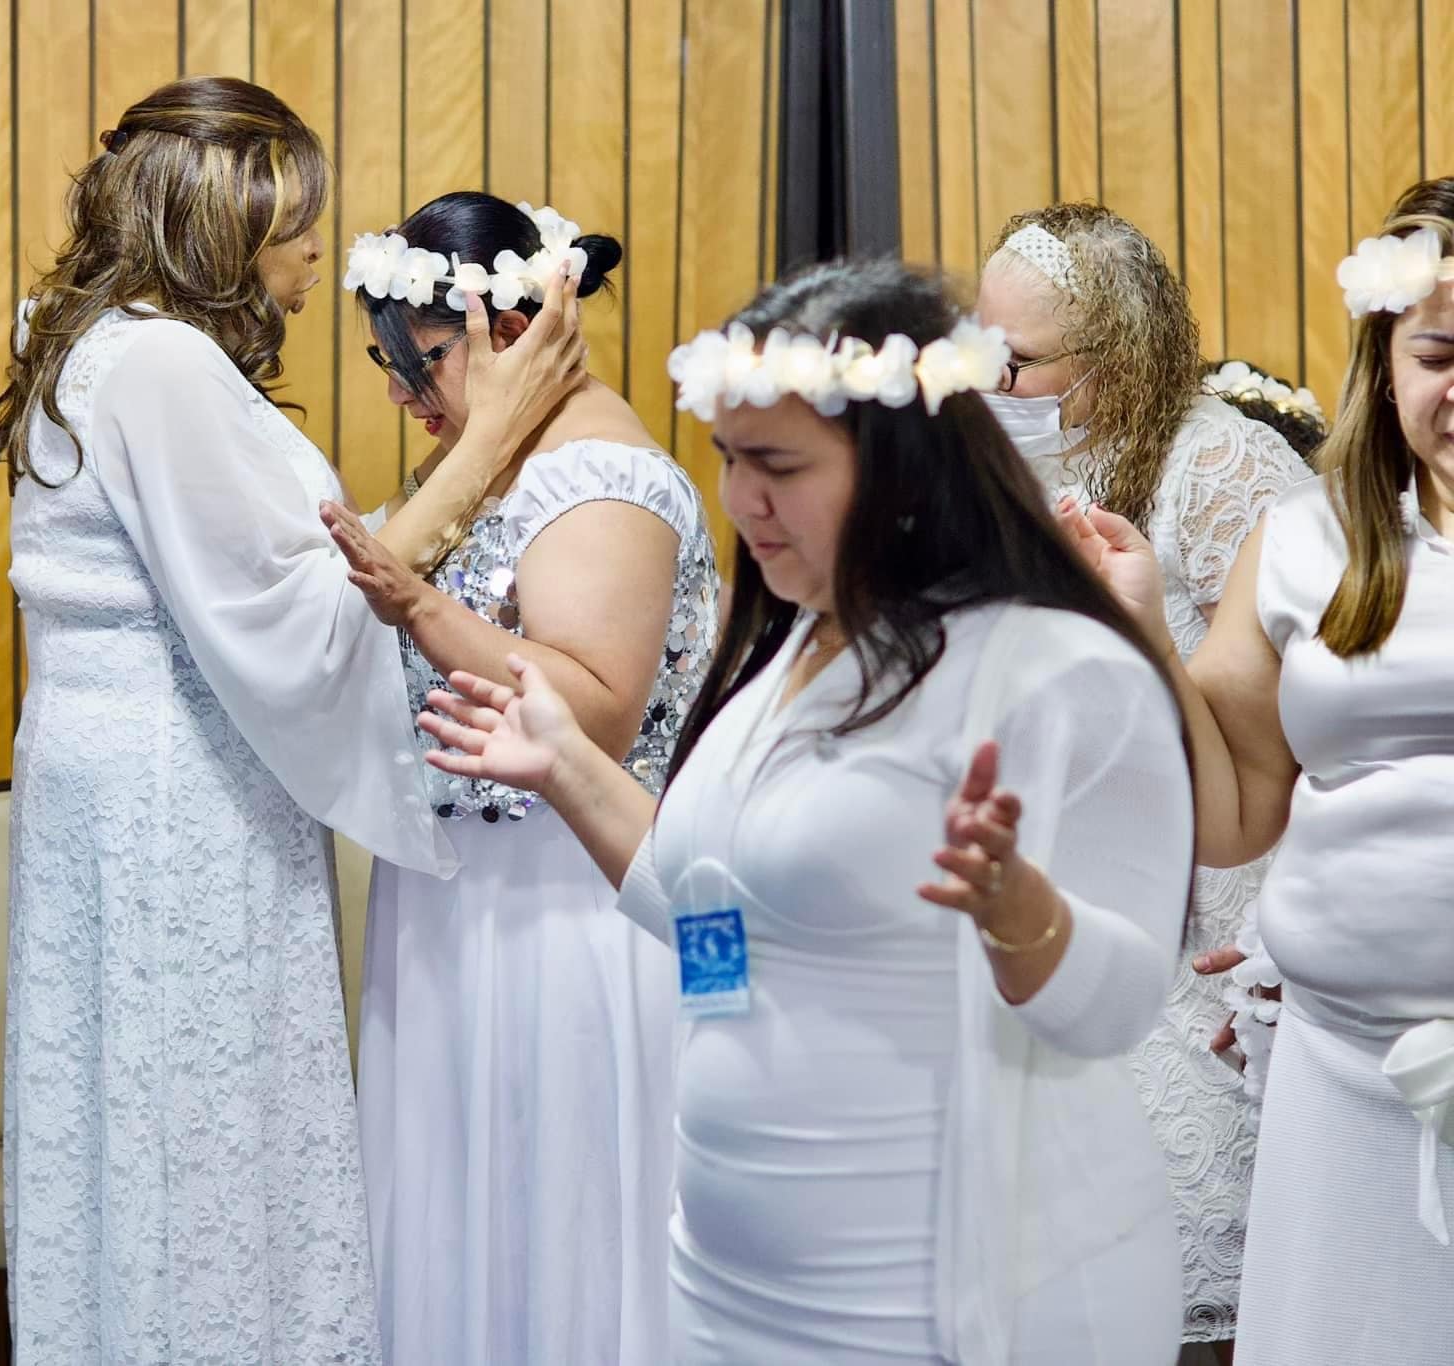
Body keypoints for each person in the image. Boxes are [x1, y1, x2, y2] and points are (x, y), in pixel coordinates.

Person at [416, 259, 1196, 1364]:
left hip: (949, 1292)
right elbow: (714, 918)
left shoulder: (1052, 668)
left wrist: (1015, 905)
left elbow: (1115, 1007)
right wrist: (562, 766)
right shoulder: (794, 647)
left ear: (902, 467)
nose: (739, 502)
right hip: (737, 1288)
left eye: (777, 465)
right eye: (729, 460)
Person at [0, 78, 587, 1363]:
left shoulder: (90, 343)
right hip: (175, 798)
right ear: (225, 217)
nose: (317, 253)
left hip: (121, 775)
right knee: (194, 1124)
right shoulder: (157, 362)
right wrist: (491, 445)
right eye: (297, 223)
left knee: (150, 1121)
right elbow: (301, 610)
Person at [321, 190, 718, 1364]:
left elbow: (592, 703)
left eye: (419, 361)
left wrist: (418, 608)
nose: (399, 394)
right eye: (385, 364)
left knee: (563, 1207)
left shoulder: (598, 476)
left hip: (567, 899)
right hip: (459, 894)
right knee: (460, 1209)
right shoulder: (501, 461)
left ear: (508, 325)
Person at [1064, 176, 1454, 1366]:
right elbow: (1233, 814)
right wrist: (1141, 621)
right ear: (1383, 360)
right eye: (1438, 352)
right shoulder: (1310, 540)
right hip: (1344, 1072)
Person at [977, 203, 1309, 1352]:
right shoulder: (1006, 464)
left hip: (1207, 895)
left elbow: (1292, 728)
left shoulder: (1220, 465)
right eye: (983, 349)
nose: (994, 379)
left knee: (1182, 1272)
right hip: (1060, 883)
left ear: (1111, 363)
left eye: (1016, 360)